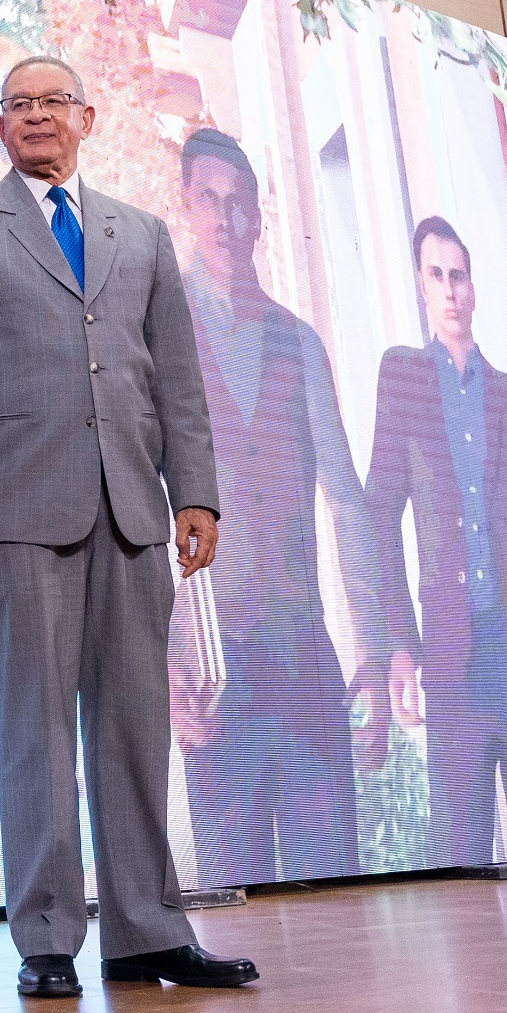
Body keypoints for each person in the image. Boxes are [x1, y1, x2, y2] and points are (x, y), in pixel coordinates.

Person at [0, 56, 258, 996]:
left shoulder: (140, 234)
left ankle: (147, 931)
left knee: (136, 729)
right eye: (18, 104)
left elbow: (177, 377)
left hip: (134, 513)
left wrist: (197, 493)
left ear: (87, 118)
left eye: (52, 102)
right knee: (35, 733)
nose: (36, 116)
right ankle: (49, 939)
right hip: (16, 514)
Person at [173, 128, 387, 886]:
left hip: (305, 660)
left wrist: (376, 645)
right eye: (210, 200)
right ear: (186, 208)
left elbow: (349, 502)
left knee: (334, 892)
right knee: (237, 908)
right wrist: (168, 660)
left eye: (241, 204)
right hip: (216, 670)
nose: (227, 221)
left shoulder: (299, 342)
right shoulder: (159, 333)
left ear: (261, 216)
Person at [364, 216, 507, 867]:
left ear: (473, 286)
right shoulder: (401, 377)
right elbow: (379, 515)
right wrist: (399, 646)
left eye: (458, 275)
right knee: (459, 866)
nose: (450, 289)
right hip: (451, 664)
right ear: (421, 285)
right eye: (436, 275)